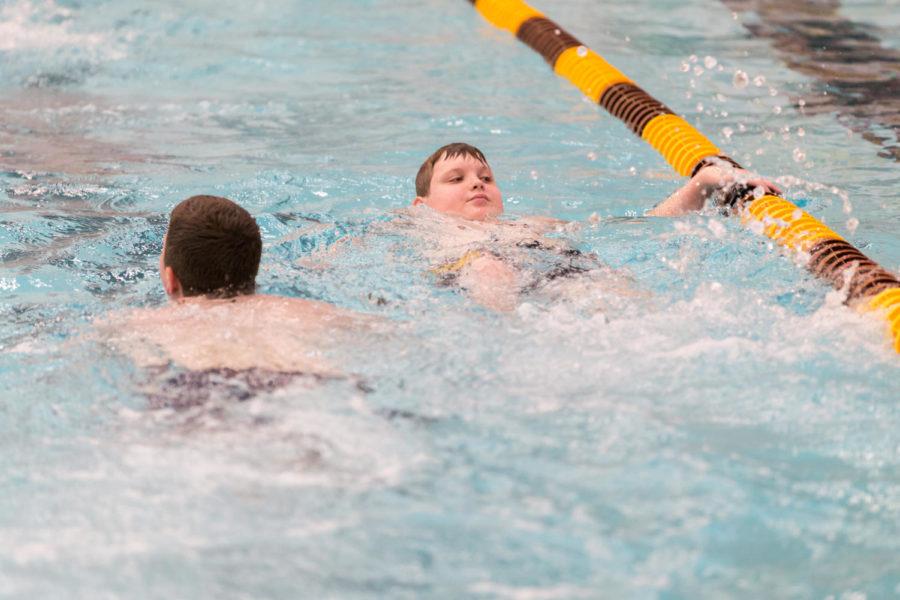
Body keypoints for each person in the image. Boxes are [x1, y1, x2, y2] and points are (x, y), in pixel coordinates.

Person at [407, 142, 782, 310]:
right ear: (421, 205)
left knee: (612, 285)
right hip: (484, 277)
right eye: (455, 179)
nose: (476, 183)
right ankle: (507, 340)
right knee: (489, 268)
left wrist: (703, 184)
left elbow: (635, 229)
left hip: (557, 272)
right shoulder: (422, 227)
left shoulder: (532, 225)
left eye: (485, 178)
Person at [96, 195, 378, 407]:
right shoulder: (313, 313)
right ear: (254, 268)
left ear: (170, 279)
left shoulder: (139, 323)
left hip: (204, 395)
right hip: (311, 388)